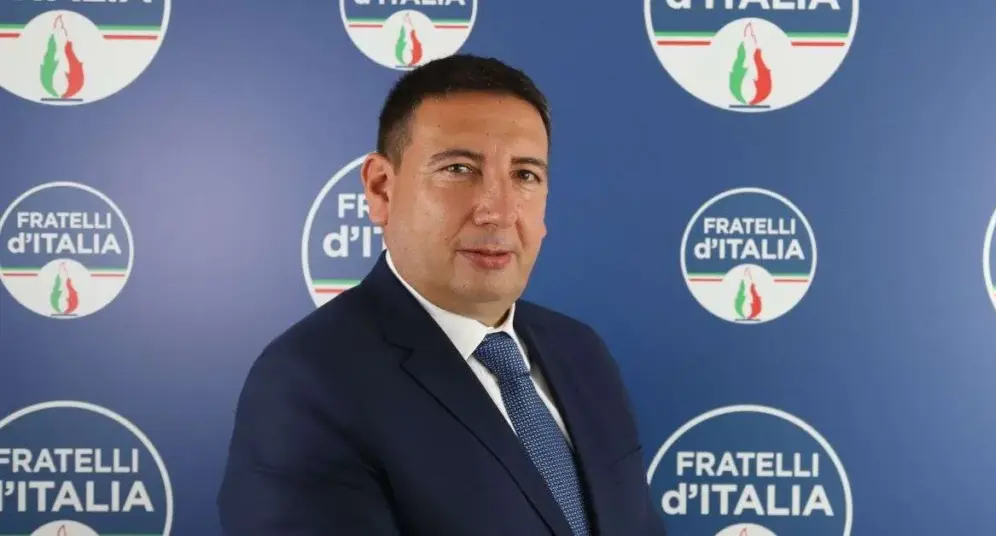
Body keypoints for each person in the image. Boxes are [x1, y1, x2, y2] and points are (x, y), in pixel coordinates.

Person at [216, 53, 666, 536]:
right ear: (381, 189)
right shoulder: (308, 385)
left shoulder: (581, 352)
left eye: (524, 175)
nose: (498, 211)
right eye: (459, 169)